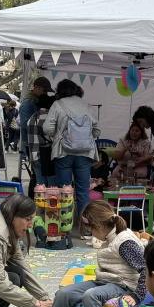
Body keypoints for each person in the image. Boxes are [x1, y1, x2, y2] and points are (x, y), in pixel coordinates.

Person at [47, 201, 147, 307]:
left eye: (90, 228)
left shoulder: (124, 242)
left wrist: (137, 295)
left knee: (91, 295)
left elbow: (146, 268)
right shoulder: (109, 237)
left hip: (123, 284)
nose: (91, 233)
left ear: (99, 225)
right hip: (105, 281)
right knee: (63, 294)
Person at [43, 79, 99, 221]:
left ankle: (65, 223)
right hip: (85, 153)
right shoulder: (86, 105)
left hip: (63, 152)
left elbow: (47, 128)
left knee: (64, 190)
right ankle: (84, 225)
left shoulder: (57, 104)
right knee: (83, 190)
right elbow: (97, 130)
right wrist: (84, 138)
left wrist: (58, 136)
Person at [20, 76, 54, 192]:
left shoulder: (34, 101)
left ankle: (38, 196)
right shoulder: (28, 103)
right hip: (33, 143)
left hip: (36, 143)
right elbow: (24, 125)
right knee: (39, 175)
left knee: (39, 175)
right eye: (44, 91)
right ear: (37, 88)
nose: (45, 94)